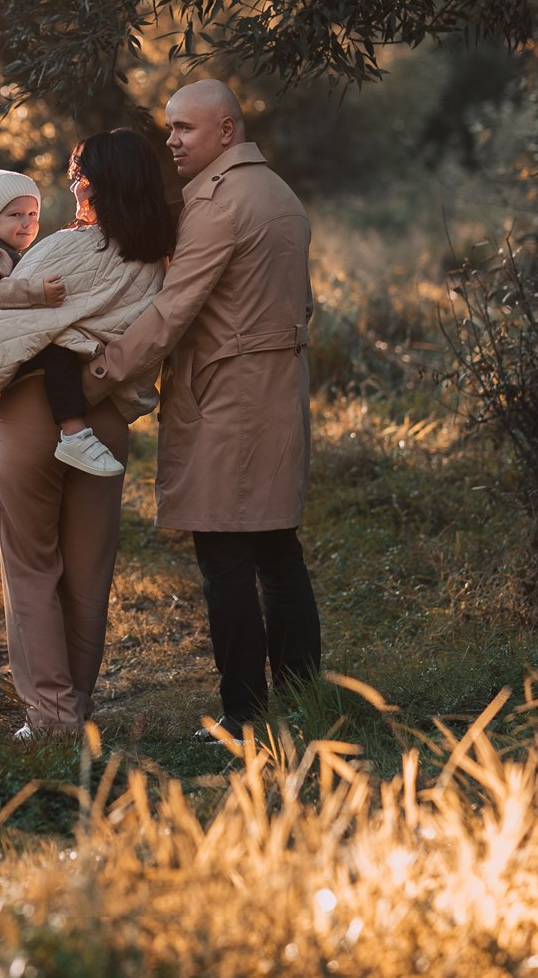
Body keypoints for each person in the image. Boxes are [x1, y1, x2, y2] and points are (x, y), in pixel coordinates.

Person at [85, 79, 321, 733]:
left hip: (227, 400)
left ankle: (243, 713)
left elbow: (170, 312)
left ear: (226, 131)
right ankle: (303, 699)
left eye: (185, 128)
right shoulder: (278, 193)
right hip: (276, 394)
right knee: (277, 549)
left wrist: (98, 373)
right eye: (169, 128)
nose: (172, 140)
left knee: (225, 559)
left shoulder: (218, 204)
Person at [0, 129, 177, 737]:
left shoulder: (60, 252)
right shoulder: (161, 261)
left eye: (79, 177)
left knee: (32, 564)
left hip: (30, 415)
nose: (72, 188)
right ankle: (79, 701)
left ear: (98, 184)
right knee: (89, 569)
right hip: (105, 421)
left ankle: (52, 716)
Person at [0, 169, 123, 476]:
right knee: (58, 351)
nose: (27, 222)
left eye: (33, 213)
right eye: (15, 214)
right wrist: (38, 293)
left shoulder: (1, 249)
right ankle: (74, 433)